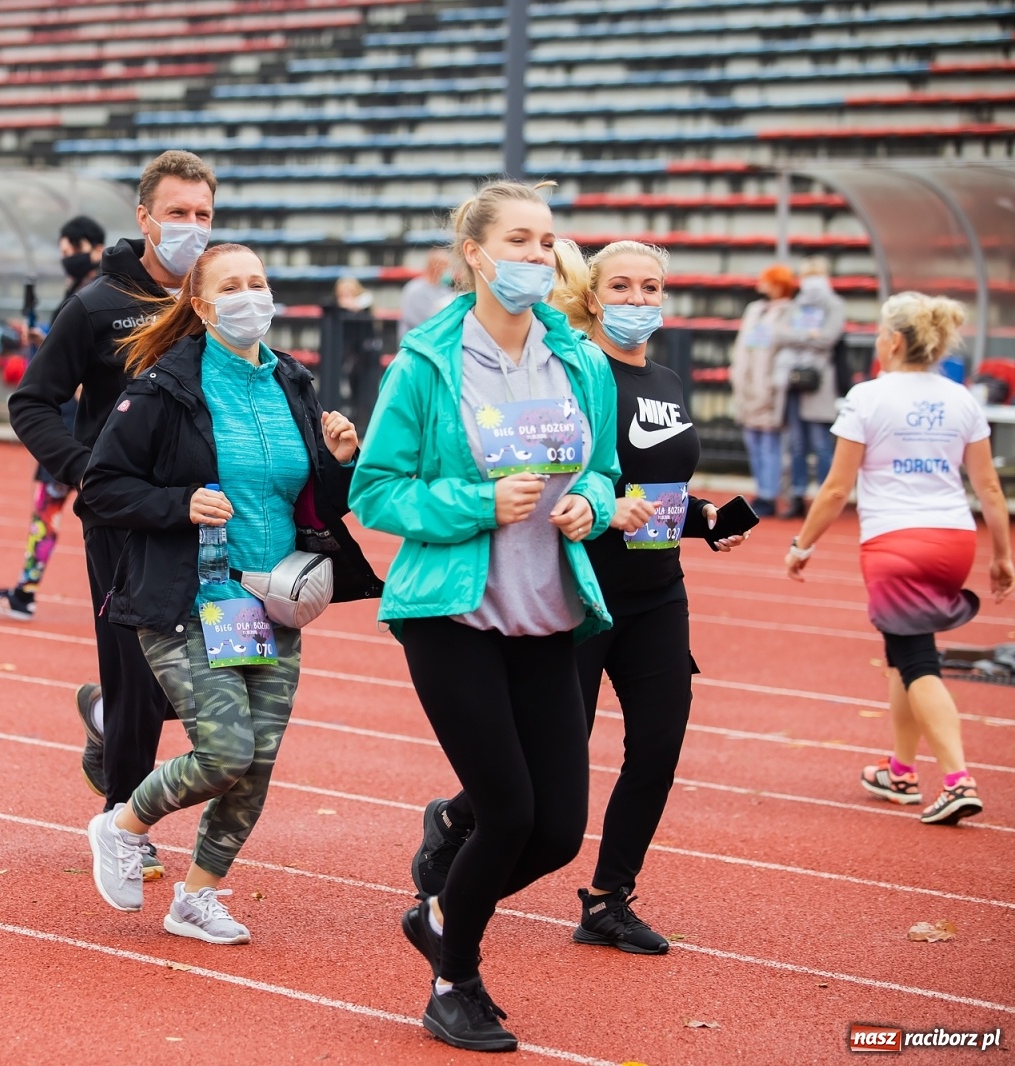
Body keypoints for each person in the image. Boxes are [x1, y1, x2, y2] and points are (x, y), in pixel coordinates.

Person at [407, 238, 751, 967]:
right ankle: (458, 820)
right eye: (621, 287)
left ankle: (607, 900)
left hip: (658, 593)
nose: (637, 300)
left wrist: (701, 519)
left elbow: (655, 487)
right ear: (593, 297)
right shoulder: (574, 375)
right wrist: (600, 507)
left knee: (658, 746)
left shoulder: (667, 380)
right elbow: (570, 475)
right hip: (581, 591)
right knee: (551, 759)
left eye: (650, 287)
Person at [349, 179, 619, 1053]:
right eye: (520, 240)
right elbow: (376, 490)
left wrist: (591, 505)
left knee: (558, 832)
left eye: (547, 241)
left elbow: (605, 471)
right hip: (452, 616)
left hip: (549, 614)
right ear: (475, 254)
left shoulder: (578, 359)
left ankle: (441, 904)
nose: (539, 255)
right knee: (509, 813)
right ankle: (452, 981)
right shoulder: (427, 364)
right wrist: (477, 503)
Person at [81, 242, 375, 942]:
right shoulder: (164, 387)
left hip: (271, 603)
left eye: (258, 282)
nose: (250, 296)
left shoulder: (293, 383)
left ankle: (197, 898)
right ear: (203, 305)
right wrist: (178, 503)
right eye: (232, 286)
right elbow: (101, 488)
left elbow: (315, 504)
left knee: (256, 765)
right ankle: (122, 825)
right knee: (224, 753)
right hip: (188, 599)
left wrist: (341, 463)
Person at [8, 152, 216, 876]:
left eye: (204, 214)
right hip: (124, 520)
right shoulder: (96, 306)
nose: (192, 227)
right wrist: (85, 472)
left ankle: (106, 718)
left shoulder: (217, 297)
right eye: (178, 212)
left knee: (221, 671)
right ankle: (124, 819)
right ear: (145, 217)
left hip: (210, 516)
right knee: (137, 671)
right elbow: (32, 402)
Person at [787, 292, 1011, 826]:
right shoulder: (961, 398)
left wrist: (802, 545)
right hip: (955, 540)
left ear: (891, 341)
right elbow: (989, 487)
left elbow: (836, 488)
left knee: (917, 661)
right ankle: (902, 771)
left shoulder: (867, 396)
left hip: (896, 543)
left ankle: (957, 779)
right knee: (902, 652)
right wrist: (1002, 555)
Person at [0, 215, 109, 623]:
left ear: (94, 248)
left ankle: (27, 592)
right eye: (64, 252)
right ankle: (26, 590)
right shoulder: (86, 290)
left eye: (71, 250)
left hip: (75, 426)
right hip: (74, 423)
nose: (66, 258)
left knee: (58, 509)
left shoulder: (98, 292)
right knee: (61, 510)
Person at [775, 255, 846, 519]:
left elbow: (827, 338)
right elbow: (780, 334)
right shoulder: (796, 303)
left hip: (819, 383)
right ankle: (797, 495)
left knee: (820, 443)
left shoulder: (834, 304)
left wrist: (798, 337)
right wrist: (809, 336)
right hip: (793, 380)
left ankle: (824, 499)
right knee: (796, 444)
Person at [730, 264, 798, 517]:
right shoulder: (755, 309)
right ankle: (761, 489)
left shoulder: (790, 311)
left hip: (771, 387)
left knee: (771, 444)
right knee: (753, 442)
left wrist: (773, 382)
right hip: (747, 384)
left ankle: (770, 493)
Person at [320, 275, 383, 422]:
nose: (346, 298)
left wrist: (356, 305)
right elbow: (326, 305)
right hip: (342, 354)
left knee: (366, 393)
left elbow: (368, 306)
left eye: (349, 293)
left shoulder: (364, 308)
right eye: (342, 294)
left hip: (365, 357)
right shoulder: (335, 309)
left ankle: (365, 421)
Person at [400, 247, 455, 337]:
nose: (449, 272)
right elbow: (428, 323)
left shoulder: (444, 290)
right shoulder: (414, 290)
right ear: (435, 267)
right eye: (446, 267)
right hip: (417, 342)